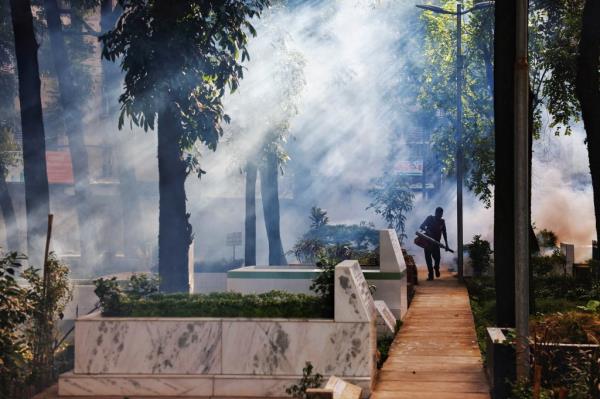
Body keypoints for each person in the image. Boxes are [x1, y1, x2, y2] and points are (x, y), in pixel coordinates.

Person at [419, 207, 450, 281]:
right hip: (427, 242)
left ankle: (436, 267)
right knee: (428, 259)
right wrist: (427, 231)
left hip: (436, 243)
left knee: (438, 258)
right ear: (436, 213)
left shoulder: (442, 221)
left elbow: (444, 233)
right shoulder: (430, 218)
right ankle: (431, 275)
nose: (440, 216)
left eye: (441, 215)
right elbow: (421, 226)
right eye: (439, 214)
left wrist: (446, 244)